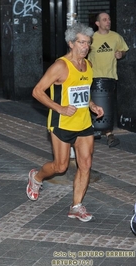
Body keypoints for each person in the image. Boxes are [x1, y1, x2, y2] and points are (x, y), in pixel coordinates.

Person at [26, 23, 104, 222]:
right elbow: (37, 91)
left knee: (85, 165)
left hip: (84, 124)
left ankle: (76, 206)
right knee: (60, 167)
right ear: (71, 43)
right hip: (62, 123)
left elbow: (83, 92)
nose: (85, 47)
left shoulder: (88, 65)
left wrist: (92, 105)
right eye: (81, 42)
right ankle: (36, 177)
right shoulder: (60, 66)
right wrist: (59, 108)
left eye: (88, 43)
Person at [88, 12, 129, 148]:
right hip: (93, 76)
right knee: (92, 104)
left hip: (110, 76)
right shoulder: (91, 38)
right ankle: (92, 130)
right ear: (97, 23)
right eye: (104, 20)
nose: (108, 21)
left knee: (107, 105)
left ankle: (109, 133)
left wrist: (120, 54)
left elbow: (123, 50)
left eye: (109, 19)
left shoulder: (116, 37)